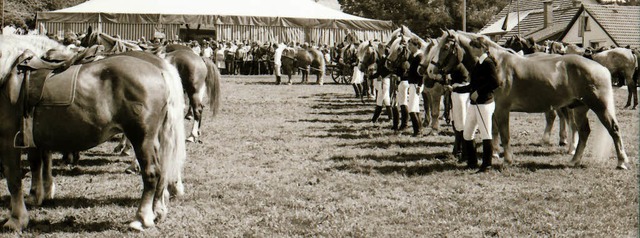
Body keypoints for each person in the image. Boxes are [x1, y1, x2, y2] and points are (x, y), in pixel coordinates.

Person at [457, 42, 500, 172]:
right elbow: (473, 85)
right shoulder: (478, 63)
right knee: (467, 133)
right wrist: (458, 89)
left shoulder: (487, 62)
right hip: (474, 104)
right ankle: (472, 162)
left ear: (482, 48)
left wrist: (479, 92)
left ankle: (486, 165)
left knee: (486, 134)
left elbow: (495, 82)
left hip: (484, 104)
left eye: (475, 47)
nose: (473, 50)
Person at [371, 42, 393, 126]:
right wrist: (371, 76)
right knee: (386, 99)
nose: (379, 50)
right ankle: (390, 117)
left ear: (383, 49)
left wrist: (380, 75)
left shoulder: (387, 58)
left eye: (380, 48)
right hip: (382, 79)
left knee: (380, 99)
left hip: (385, 80)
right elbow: (380, 71)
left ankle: (374, 118)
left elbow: (388, 70)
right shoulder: (382, 58)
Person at [405, 37, 424, 137]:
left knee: (412, 108)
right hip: (413, 83)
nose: (409, 47)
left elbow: (421, 73)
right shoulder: (414, 56)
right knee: (415, 108)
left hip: (416, 84)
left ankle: (417, 131)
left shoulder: (419, 56)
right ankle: (419, 129)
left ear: (417, 46)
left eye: (411, 45)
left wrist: (419, 85)